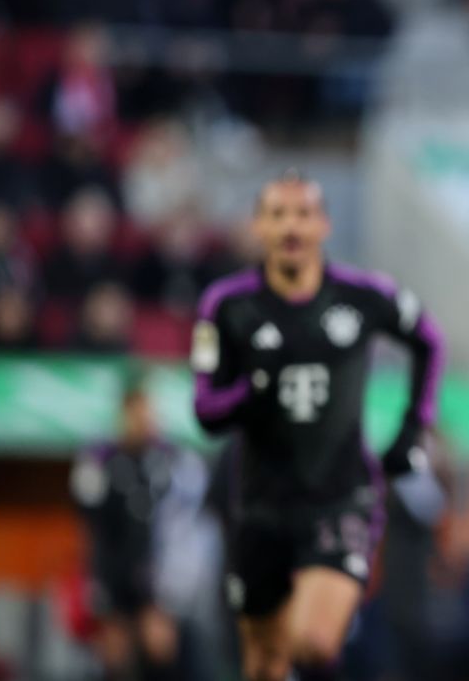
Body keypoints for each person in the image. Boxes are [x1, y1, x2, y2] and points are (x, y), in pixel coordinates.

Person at [191, 172, 443, 681]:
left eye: (303, 214)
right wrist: (250, 394)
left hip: (340, 496)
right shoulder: (226, 307)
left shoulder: (364, 295)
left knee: (313, 642)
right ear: (258, 225)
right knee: (262, 665)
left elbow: (429, 341)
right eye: (278, 214)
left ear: (323, 224)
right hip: (260, 505)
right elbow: (206, 410)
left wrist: (414, 426)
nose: (291, 226)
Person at [70, 384, 201, 681]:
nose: (146, 420)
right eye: (139, 412)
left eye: (150, 412)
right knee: (116, 658)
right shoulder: (99, 461)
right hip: (111, 575)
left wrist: (169, 588)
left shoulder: (168, 461)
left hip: (156, 578)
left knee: (160, 651)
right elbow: (91, 520)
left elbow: (180, 524)